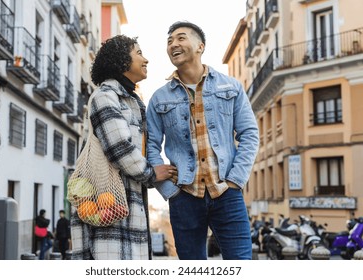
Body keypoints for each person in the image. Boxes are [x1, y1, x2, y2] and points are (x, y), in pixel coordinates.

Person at [146, 21, 260, 260]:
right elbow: (150, 147)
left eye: (180, 38)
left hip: (227, 193)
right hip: (184, 197)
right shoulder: (159, 98)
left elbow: (250, 134)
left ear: (200, 46)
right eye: (169, 41)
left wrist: (236, 181)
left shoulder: (231, 87)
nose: (173, 45)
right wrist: (169, 191)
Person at [70, 34, 177, 260]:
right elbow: (119, 147)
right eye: (139, 53)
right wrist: (150, 173)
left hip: (125, 206)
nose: (145, 59)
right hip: (108, 204)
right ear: (121, 61)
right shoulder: (105, 96)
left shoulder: (130, 99)